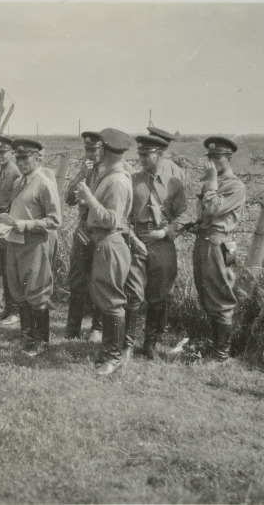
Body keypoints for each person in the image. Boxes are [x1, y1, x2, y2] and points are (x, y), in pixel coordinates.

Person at [74, 128, 134, 375]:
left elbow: (112, 219)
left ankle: (113, 357)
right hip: (100, 242)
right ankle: (109, 351)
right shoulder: (107, 176)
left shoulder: (118, 181)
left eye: (100, 148)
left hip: (109, 242)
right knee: (105, 299)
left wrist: (90, 199)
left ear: (107, 151)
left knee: (112, 302)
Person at [124, 135, 188, 360]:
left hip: (162, 243)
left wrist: (163, 232)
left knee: (158, 296)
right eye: (139, 154)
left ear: (159, 154)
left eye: (146, 154)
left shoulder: (174, 183)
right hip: (137, 240)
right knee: (133, 294)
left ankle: (150, 344)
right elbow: (122, 216)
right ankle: (127, 345)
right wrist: (133, 239)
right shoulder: (132, 181)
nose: (141, 158)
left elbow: (183, 215)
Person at [0, 137, 62, 356]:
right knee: (19, 291)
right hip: (15, 242)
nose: (21, 162)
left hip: (35, 244)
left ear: (37, 158)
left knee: (37, 292)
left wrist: (26, 224)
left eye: (26, 158)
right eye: (18, 158)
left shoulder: (44, 183)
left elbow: (55, 221)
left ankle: (41, 342)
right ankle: (26, 338)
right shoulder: (19, 183)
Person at [192, 136, 246, 362]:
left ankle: (222, 355)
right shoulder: (212, 183)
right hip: (205, 241)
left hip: (221, 244)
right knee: (207, 296)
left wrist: (212, 181)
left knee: (222, 296)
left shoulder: (235, 185)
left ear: (229, 158)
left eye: (217, 157)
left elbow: (214, 208)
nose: (212, 161)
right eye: (210, 157)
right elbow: (204, 214)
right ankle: (215, 348)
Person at [63, 132, 106, 341]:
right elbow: (68, 199)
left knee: (99, 279)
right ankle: (72, 328)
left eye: (93, 149)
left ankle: (97, 328)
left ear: (104, 149)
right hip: (83, 231)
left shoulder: (113, 174)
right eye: (87, 150)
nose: (89, 154)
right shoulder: (86, 171)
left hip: (101, 232)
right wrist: (81, 174)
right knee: (77, 280)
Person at [0, 135, 22, 326]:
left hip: (8, 221)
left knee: (10, 268)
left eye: (3, 152)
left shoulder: (16, 174)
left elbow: (16, 202)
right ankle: (8, 308)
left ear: (12, 152)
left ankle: (15, 310)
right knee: (1, 266)